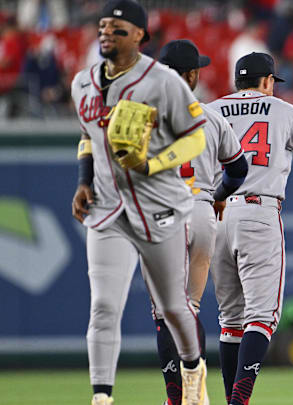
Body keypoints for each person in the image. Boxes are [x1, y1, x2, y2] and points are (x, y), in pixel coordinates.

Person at [70, 2, 210, 404]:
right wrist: (83, 181)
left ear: (139, 36)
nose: (105, 33)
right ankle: (101, 396)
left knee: (173, 308)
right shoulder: (82, 83)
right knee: (103, 306)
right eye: (102, 26)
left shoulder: (164, 81)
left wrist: (153, 163)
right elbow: (88, 138)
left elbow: (196, 136)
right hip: (107, 208)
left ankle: (192, 368)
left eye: (116, 28)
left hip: (158, 207)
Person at [206, 51, 293, 405]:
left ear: (237, 82)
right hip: (259, 212)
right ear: (268, 82)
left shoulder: (212, 110)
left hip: (216, 213)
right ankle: (239, 401)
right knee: (261, 318)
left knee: (230, 320)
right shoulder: (283, 110)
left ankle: (230, 399)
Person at [154, 39, 250, 405]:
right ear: (192, 75)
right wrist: (220, 194)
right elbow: (239, 169)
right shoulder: (212, 116)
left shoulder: (144, 112)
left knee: (166, 311)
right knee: (190, 307)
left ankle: (177, 397)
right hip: (203, 210)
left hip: (165, 212)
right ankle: (197, 392)